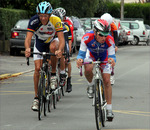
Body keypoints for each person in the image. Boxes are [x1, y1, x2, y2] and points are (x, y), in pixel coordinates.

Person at [24, 1, 65, 111]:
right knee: (37, 69)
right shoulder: (33, 21)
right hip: (39, 45)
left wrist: (60, 50)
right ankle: (36, 98)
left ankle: (52, 75)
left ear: (50, 15)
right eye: (41, 15)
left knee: (53, 48)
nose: (43, 18)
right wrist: (27, 48)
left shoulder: (56, 20)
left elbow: (61, 39)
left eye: (45, 16)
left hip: (52, 42)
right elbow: (28, 39)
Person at [76, 19, 116, 121]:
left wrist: (112, 60)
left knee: (107, 80)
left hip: (104, 57)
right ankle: (90, 85)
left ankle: (109, 109)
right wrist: (79, 60)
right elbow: (81, 54)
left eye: (105, 35)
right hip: (91, 56)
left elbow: (112, 56)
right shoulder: (87, 37)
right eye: (101, 35)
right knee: (88, 68)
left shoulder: (109, 39)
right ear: (95, 32)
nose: (103, 38)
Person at [53, 8, 72, 92]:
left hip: (64, 40)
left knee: (65, 60)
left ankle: (68, 80)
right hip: (53, 43)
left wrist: (68, 52)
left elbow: (68, 41)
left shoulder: (66, 26)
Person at [100, 13, 118, 85]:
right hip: (101, 41)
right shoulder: (99, 23)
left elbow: (116, 36)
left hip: (110, 42)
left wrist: (116, 45)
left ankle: (112, 74)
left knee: (111, 58)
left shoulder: (113, 25)